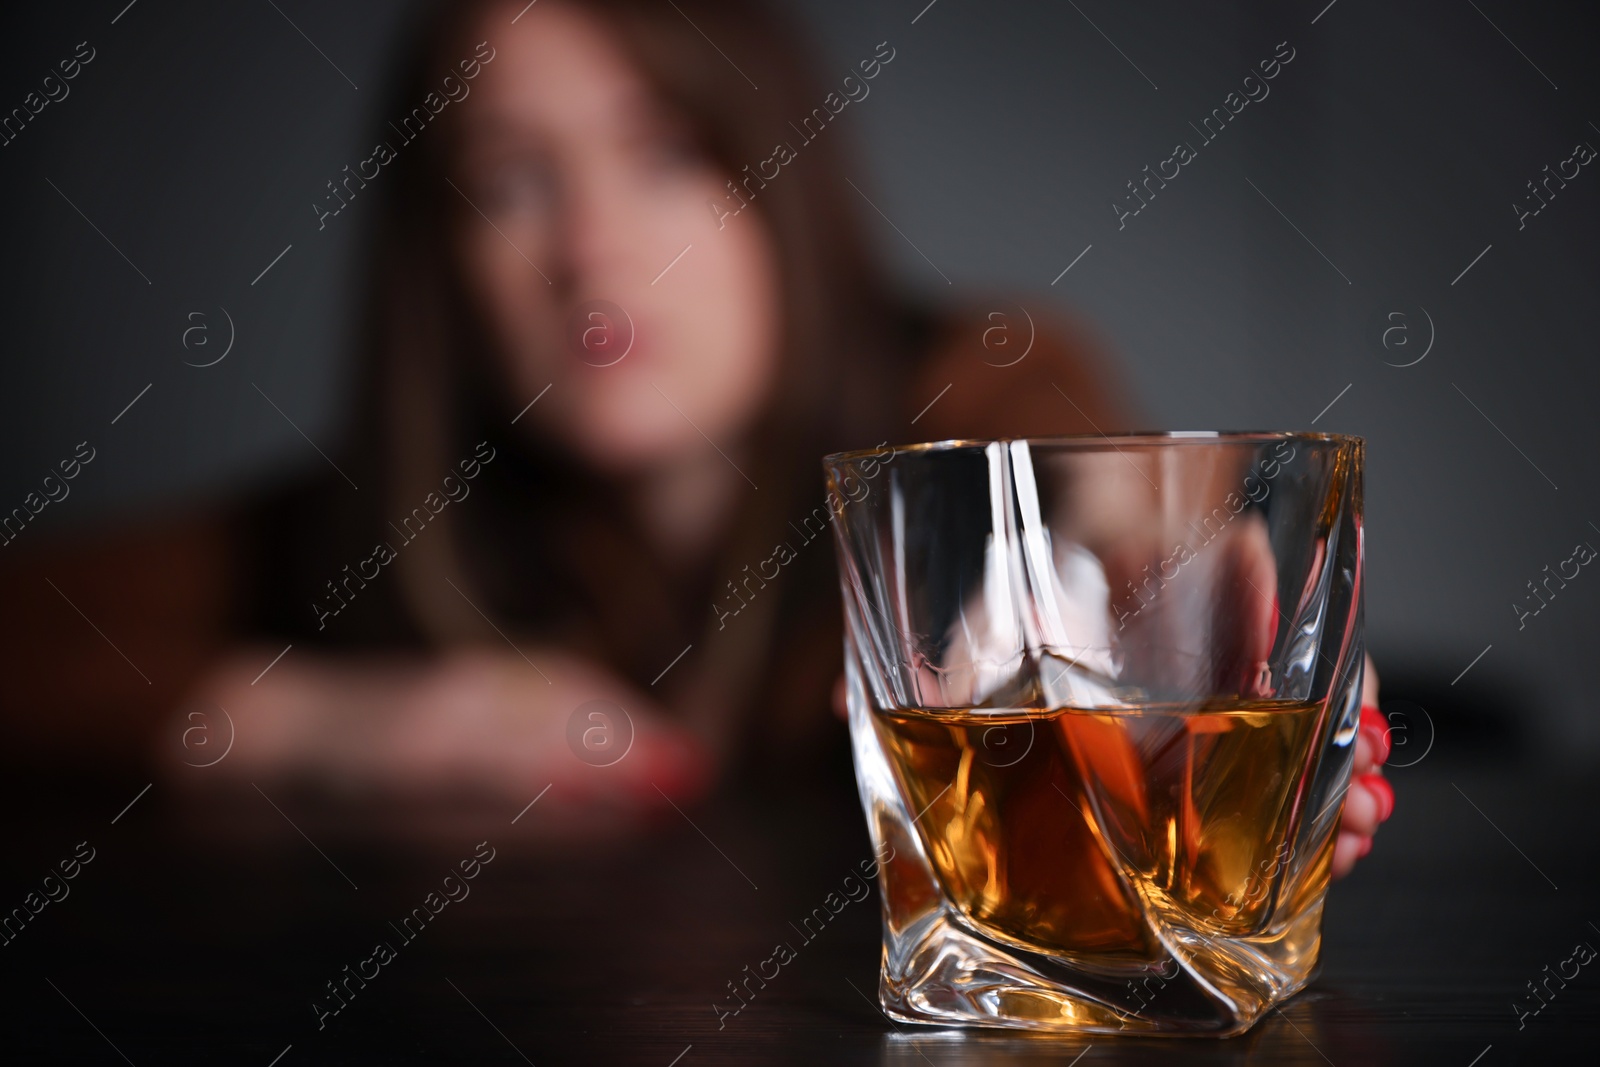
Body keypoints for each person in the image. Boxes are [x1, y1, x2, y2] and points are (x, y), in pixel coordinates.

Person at [0, 0, 1392, 874]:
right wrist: (328, 725)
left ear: (776, 178)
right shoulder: (394, 525)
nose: (592, 249)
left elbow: (1062, 460)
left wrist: (1152, 606)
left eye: (665, 154)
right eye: (509, 181)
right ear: (442, 264)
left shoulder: (960, 377)